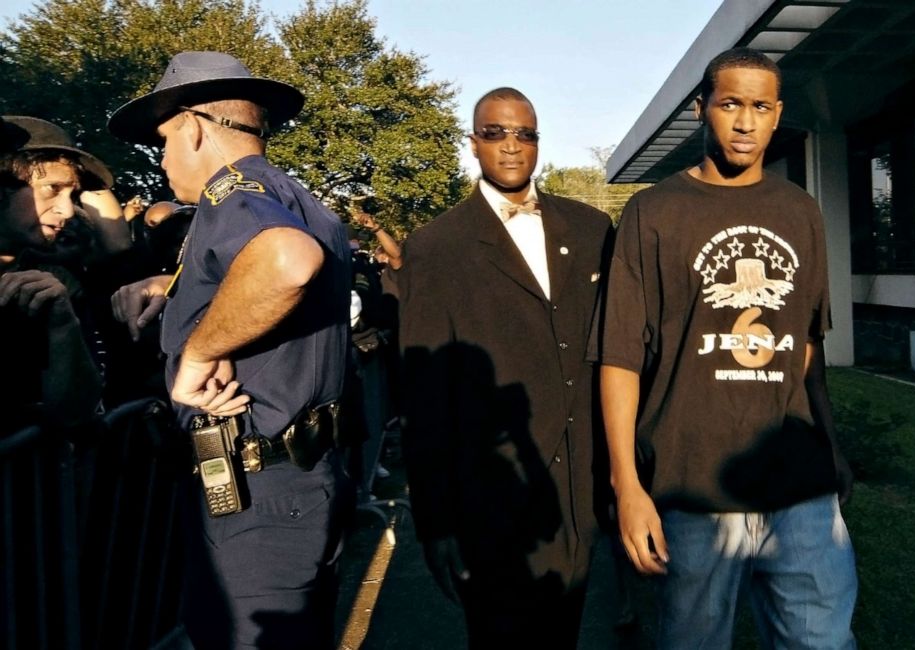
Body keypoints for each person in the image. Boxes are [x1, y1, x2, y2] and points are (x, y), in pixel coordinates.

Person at [594, 48, 857, 648]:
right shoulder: (652, 212)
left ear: (778, 113)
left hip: (799, 488)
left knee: (823, 641)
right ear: (700, 110)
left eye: (760, 107)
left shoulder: (801, 211)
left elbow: (807, 350)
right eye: (730, 104)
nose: (745, 122)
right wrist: (628, 486)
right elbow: (619, 357)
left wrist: (832, 446)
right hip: (693, 488)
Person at [107, 51, 354, 649]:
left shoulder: (229, 193)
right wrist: (175, 291)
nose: (162, 161)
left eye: (164, 142)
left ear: (192, 126)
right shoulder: (294, 196)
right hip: (297, 480)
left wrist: (196, 352)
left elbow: (286, 262)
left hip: (256, 494)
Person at [399, 87, 613, 648]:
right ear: (473, 143)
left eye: (525, 133)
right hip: (490, 501)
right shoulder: (435, 247)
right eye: (495, 132)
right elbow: (424, 398)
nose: (511, 145)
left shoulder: (591, 231)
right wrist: (436, 523)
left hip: (582, 490)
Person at [0, 115, 109, 433]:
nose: (67, 209)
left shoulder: (58, 285)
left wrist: (63, 326)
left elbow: (78, 411)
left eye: (73, 196)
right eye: (52, 189)